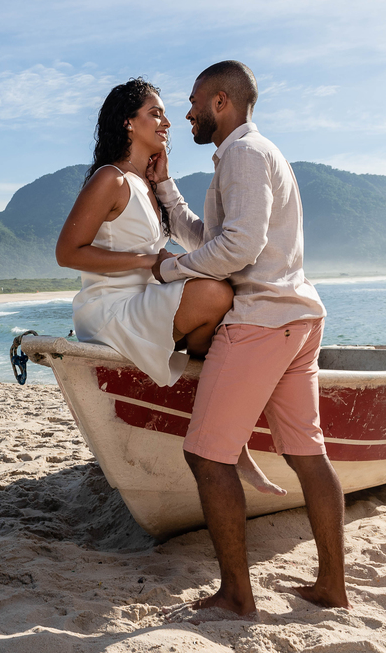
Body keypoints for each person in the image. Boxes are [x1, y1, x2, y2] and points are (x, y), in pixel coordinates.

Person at [148, 61, 349, 618]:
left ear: (220, 102)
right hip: (299, 319)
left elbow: (235, 250)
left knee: (206, 456)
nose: (185, 112)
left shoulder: (243, 154)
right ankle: (332, 587)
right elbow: (214, 237)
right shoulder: (249, 155)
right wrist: (165, 189)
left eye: (192, 101)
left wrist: (167, 271)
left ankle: (237, 597)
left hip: (262, 320)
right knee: (309, 455)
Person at [55, 77, 284, 496]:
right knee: (215, 293)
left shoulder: (146, 183)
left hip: (145, 300)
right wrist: (149, 262)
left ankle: (223, 421)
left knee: (227, 299)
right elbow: (68, 253)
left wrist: (163, 183)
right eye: (155, 113)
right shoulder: (111, 179)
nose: (167, 122)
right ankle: (226, 425)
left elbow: (203, 241)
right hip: (111, 307)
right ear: (128, 123)